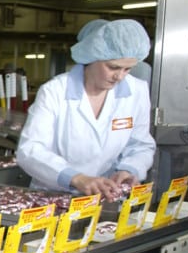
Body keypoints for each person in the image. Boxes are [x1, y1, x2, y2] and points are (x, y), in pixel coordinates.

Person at [17, 19, 155, 202]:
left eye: (127, 69)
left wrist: (129, 169)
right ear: (90, 57)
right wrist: (76, 178)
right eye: (113, 67)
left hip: (108, 196)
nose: (119, 76)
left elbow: (141, 144)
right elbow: (31, 150)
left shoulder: (137, 90)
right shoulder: (55, 91)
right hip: (55, 196)